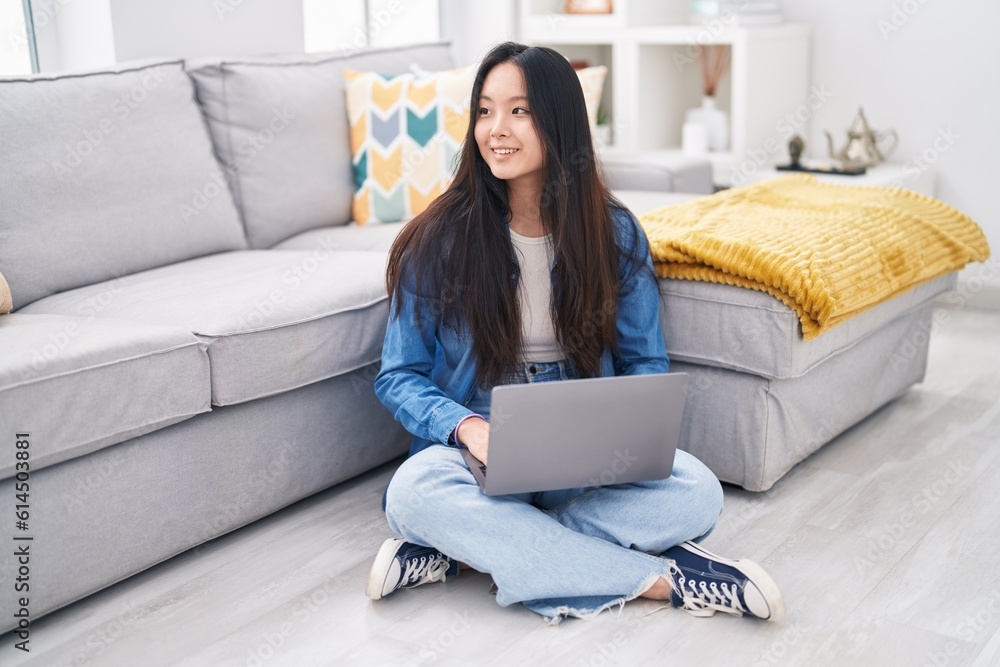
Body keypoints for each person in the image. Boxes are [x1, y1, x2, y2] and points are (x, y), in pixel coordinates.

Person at [365, 41, 785, 624]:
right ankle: (669, 583)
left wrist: (623, 430)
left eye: (519, 110)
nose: (496, 129)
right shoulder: (438, 237)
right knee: (414, 492)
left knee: (697, 490)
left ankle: (463, 552)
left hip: (582, 441)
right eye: (485, 110)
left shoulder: (613, 232)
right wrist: (467, 427)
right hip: (476, 440)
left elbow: (644, 362)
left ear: (559, 120)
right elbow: (399, 375)